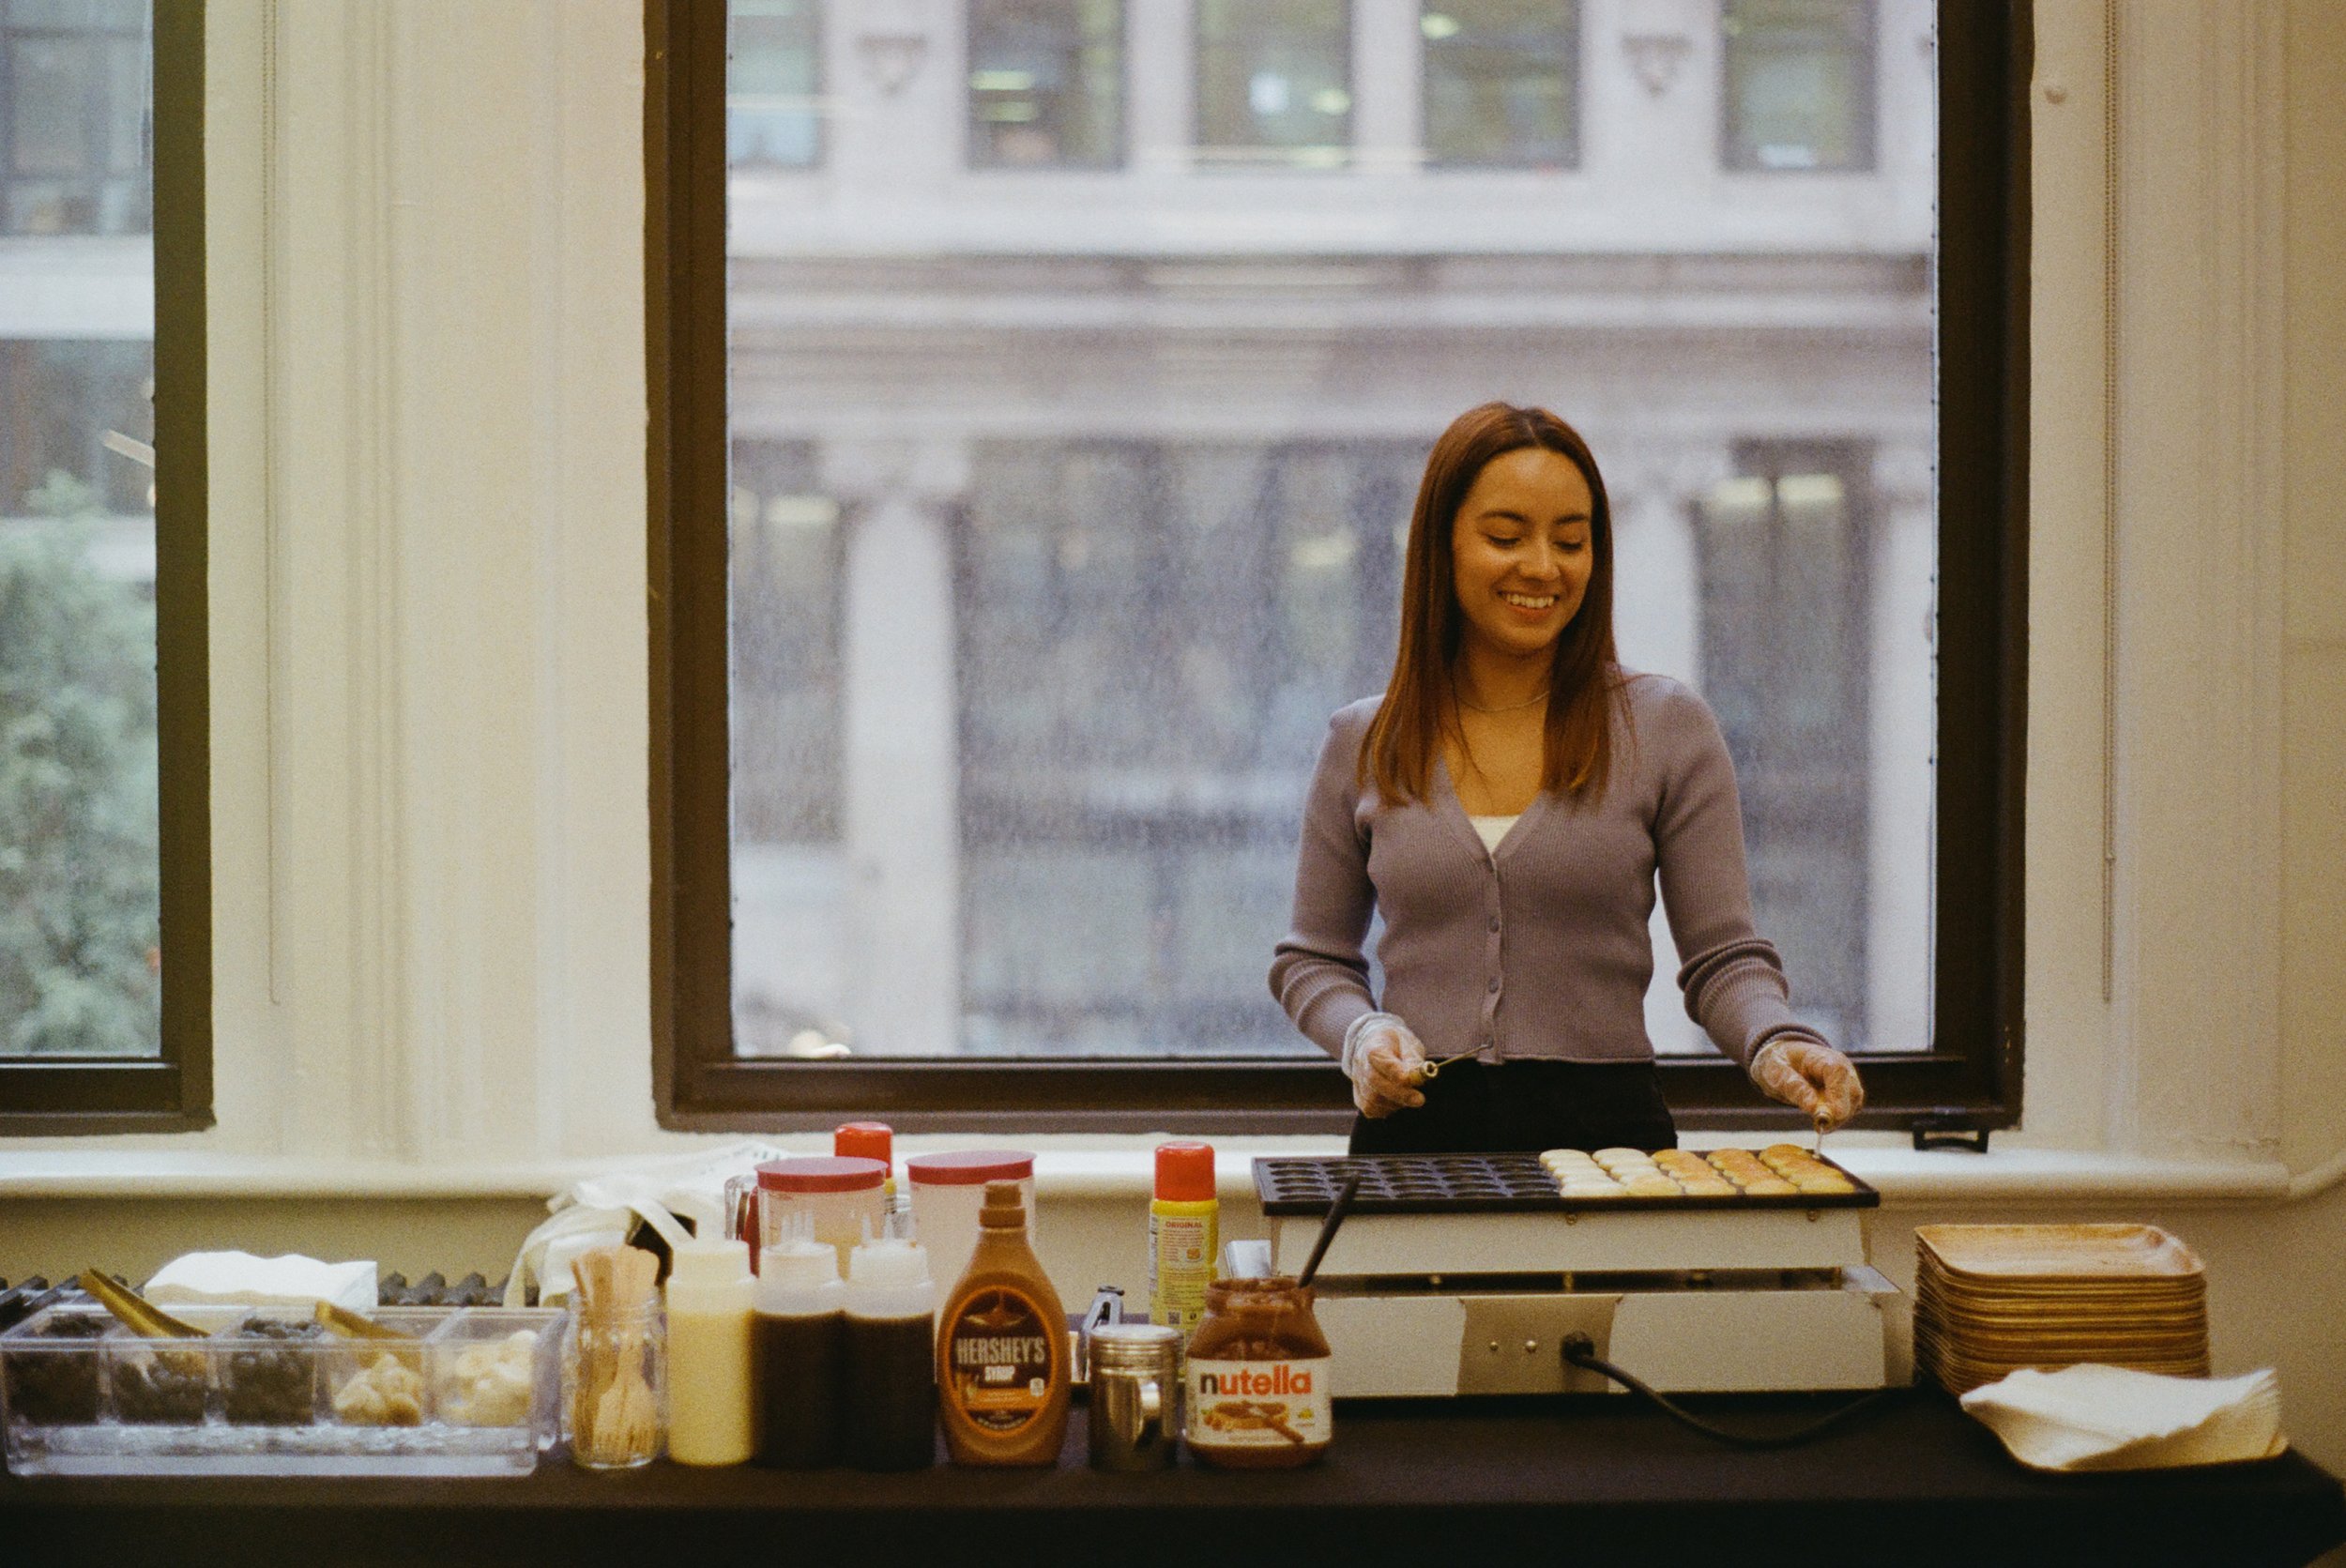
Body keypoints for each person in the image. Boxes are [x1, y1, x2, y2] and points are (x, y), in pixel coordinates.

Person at [1269, 402, 1865, 1155]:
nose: (1543, 567)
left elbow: (1724, 958)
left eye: (1572, 540)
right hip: (1416, 1142)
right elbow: (1312, 960)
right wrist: (1362, 1034)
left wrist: (1774, 1040)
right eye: (1505, 537)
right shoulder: (1364, 740)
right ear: (1441, 546)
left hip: (1612, 1140)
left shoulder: (1668, 726)